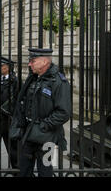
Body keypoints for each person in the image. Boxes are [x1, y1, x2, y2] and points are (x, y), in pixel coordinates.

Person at [9, 48, 71, 177]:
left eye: (33, 61)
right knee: (24, 171)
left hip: (47, 137)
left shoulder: (59, 82)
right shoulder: (34, 79)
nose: (29, 64)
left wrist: (44, 125)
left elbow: (63, 112)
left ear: (44, 61)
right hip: (29, 134)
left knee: (45, 172)